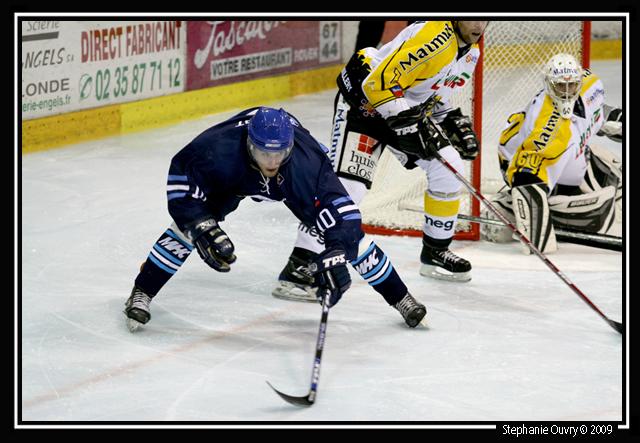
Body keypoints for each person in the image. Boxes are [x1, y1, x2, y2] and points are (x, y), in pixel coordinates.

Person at [124, 106, 427, 332]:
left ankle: (401, 298)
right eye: (264, 153)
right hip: (237, 178)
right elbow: (181, 182)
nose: (272, 161)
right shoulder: (219, 147)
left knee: (354, 242)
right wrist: (201, 226)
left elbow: (344, 214)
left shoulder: (307, 164)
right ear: (249, 144)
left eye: (279, 152)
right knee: (185, 231)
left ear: (290, 146)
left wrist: (337, 252)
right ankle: (141, 292)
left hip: (289, 184)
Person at [272, 20, 488, 304]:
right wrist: (408, 124)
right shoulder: (435, 39)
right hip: (363, 107)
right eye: (473, 17)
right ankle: (299, 266)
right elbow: (375, 84)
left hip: (400, 109)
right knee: (347, 191)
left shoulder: (470, 53)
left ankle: (435, 250)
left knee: (448, 166)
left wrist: (449, 120)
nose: (479, 25)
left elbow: (431, 95)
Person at [481, 53, 623, 254]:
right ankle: (507, 206)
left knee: (615, 173)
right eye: (560, 86)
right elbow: (527, 170)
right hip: (519, 160)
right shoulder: (548, 127)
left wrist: (614, 118)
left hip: (567, 153)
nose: (566, 93)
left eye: (571, 86)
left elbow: (596, 109)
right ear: (548, 84)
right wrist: (537, 231)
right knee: (594, 217)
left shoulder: (591, 84)